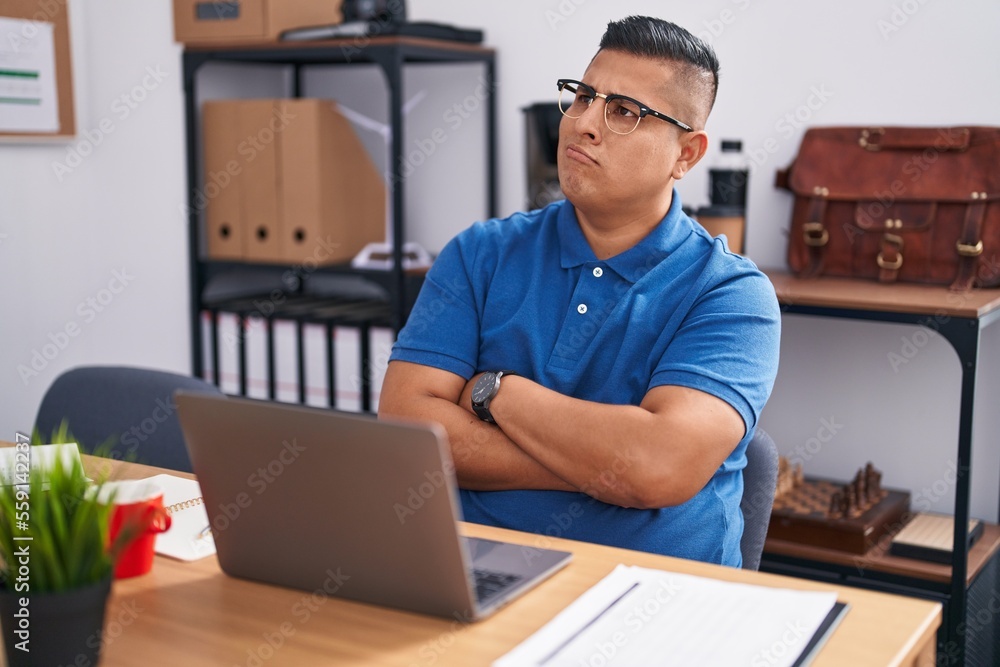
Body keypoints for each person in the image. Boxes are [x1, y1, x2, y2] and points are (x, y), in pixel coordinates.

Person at [378, 15, 780, 567]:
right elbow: (407, 429)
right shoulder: (480, 254)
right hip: (473, 575)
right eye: (584, 95)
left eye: (623, 112)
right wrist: (603, 469)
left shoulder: (731, 294)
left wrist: (496, 392)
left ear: (686, 154)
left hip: (655, 601)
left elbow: (658, 466)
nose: (584, 123)